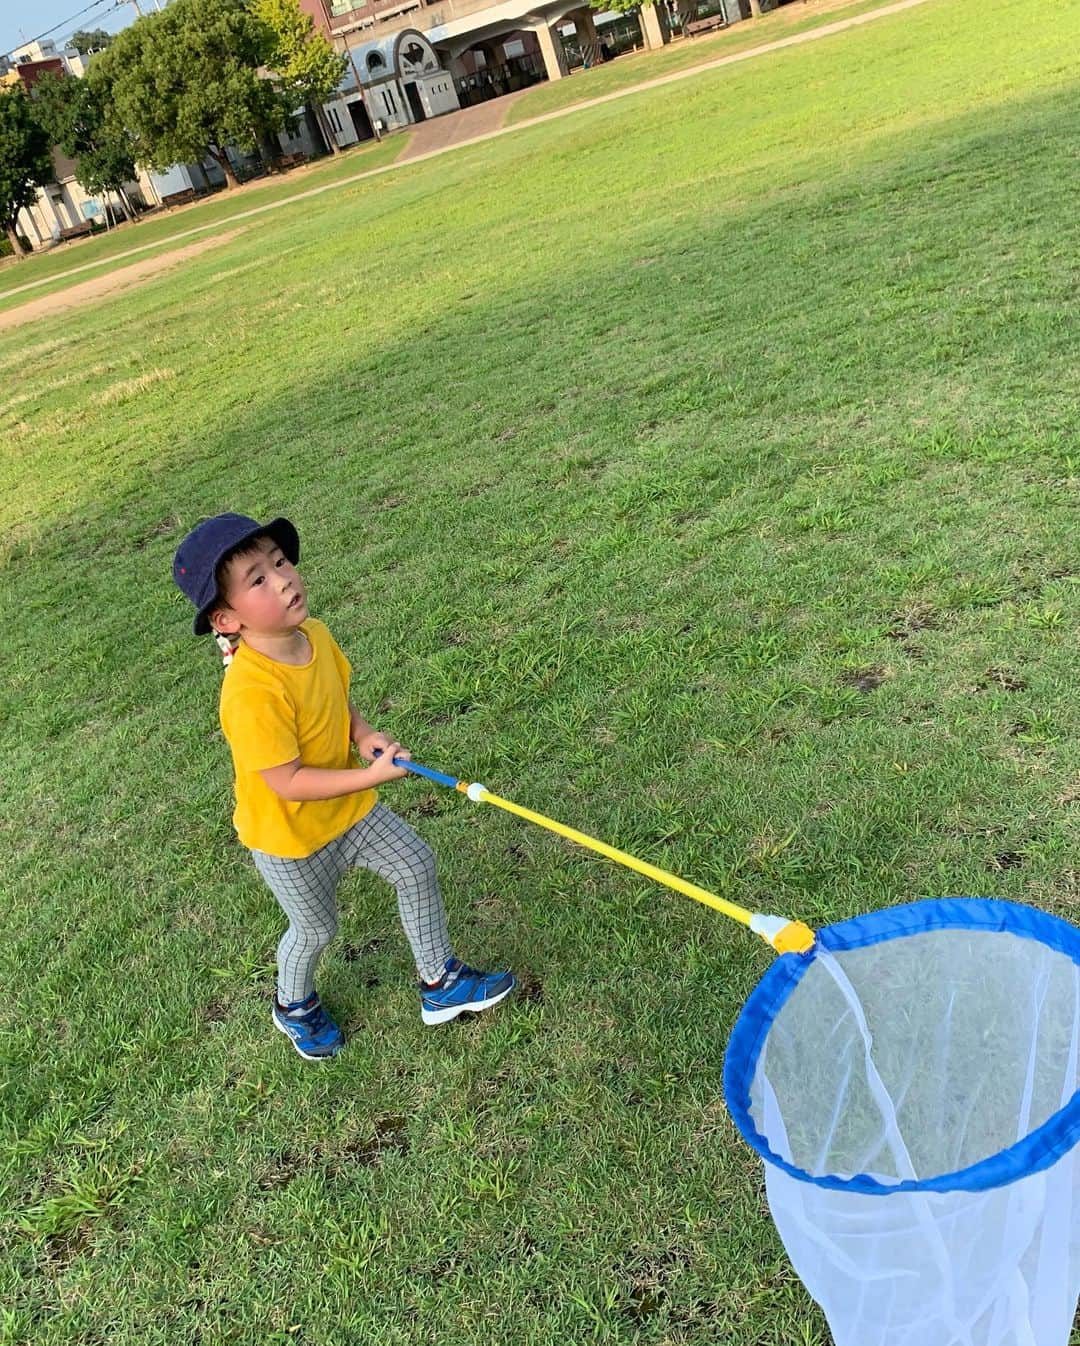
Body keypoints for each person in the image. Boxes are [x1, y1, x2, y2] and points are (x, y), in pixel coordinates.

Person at [173, 513, 515, 1060]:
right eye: (258, 580)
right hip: (289, 839)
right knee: (316, 930)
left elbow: (336, 698)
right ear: (226, 618)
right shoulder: (250, 692)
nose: (284, 580)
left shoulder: (316, 636)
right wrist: (374, 775)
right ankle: (293, 1005)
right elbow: (287, 782)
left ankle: (440, 983)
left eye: (281, 563)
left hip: (350, 808)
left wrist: (364, 734)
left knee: (415, 864)